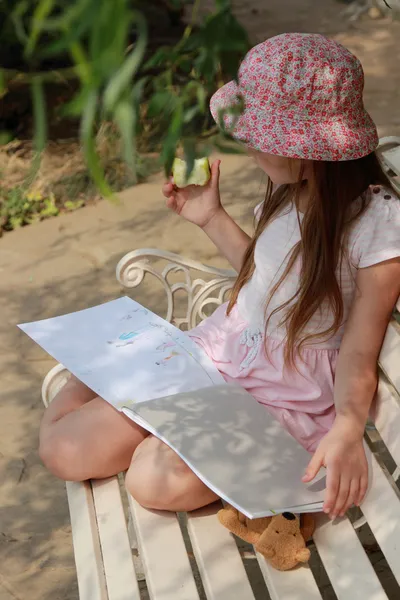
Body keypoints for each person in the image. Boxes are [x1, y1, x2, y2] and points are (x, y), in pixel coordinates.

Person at [39, 33, 400, 520]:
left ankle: (144, 409)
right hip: (219, 353)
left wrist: (349, 426)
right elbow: (270, 281)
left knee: (153, 480)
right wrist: (210, 216)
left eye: (259, 135)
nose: (247, 143)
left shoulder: (377, 223)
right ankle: (119, 374)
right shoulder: (290, 189)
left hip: (282, 393)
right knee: (64, 450)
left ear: (308, 148)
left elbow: (359, 346)